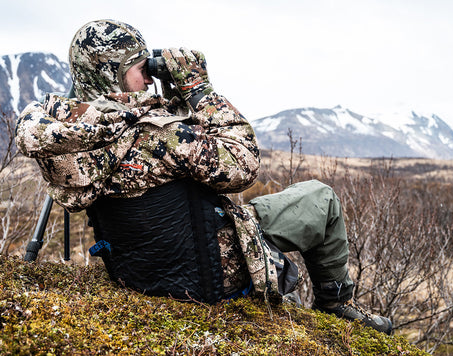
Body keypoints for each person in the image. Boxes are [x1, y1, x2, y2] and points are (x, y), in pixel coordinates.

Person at [15, 19, 392, 335]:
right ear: (110, 72)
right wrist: (198, 89)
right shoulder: (159, 135)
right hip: (208, 273)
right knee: (319, 197)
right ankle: (337, 305)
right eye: (139, 68)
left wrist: (166, 102)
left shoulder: (66, 133)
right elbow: (243, 163)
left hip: (143, 272)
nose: (148, 78)